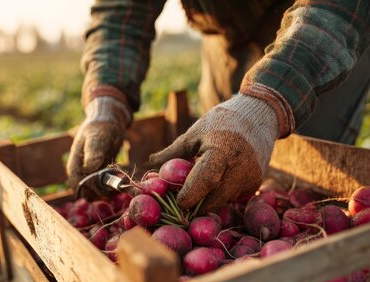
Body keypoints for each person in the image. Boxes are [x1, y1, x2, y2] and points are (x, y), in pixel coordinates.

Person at [66, 0, 370, 212]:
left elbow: (339, 6)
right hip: (226, 27)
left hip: (325, 26)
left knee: (304, 178)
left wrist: (265, 105)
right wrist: (107, 100)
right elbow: (120, 10)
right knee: (216, 166)